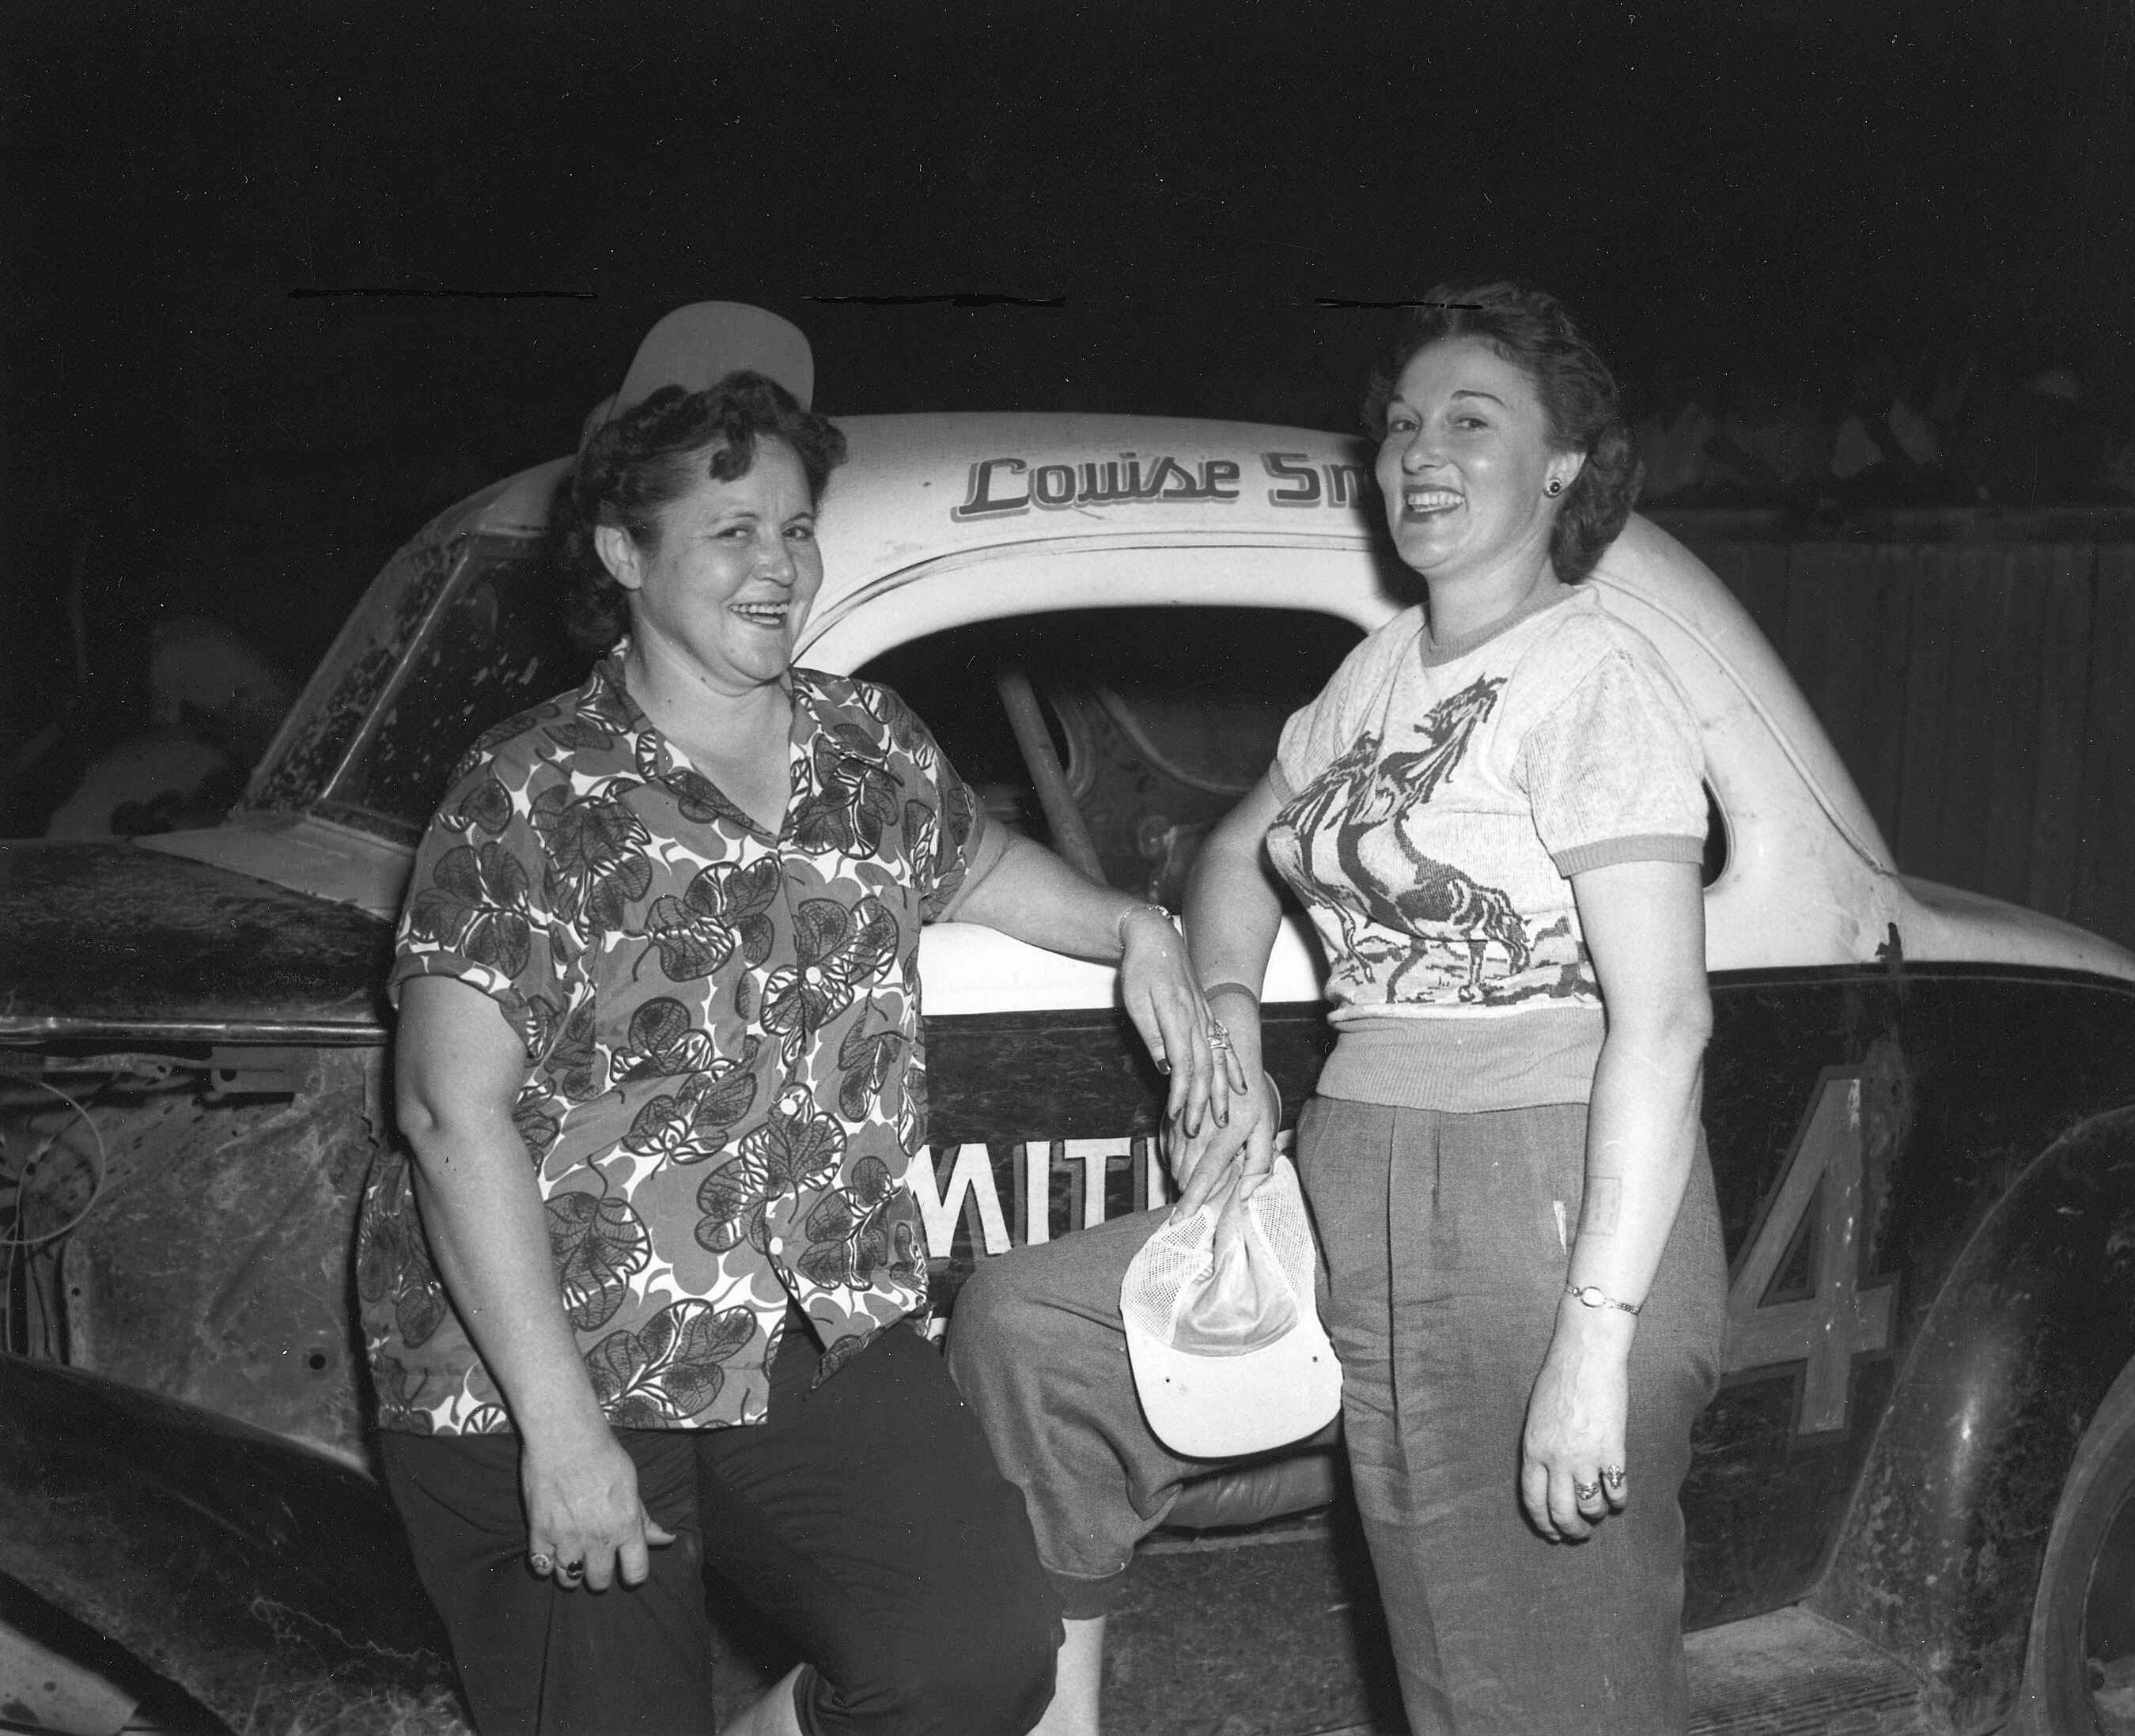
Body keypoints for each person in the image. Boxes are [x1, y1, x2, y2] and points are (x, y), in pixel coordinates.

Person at [354, 359, 1235, 1736]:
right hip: (553, 1354)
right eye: (730, 532)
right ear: (620, 554)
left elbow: (975, 856)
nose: (779, 566)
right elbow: (443, 1118)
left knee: (979, 1657)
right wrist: (565, 1436)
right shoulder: (528, 789)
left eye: (797, 527)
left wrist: (1136, 927)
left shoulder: (864, 742)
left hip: (807, 1326)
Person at [950, 282, 1725, 1735]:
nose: (1418, 450)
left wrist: (1593, 1341)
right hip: (1352, 1174)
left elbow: (1667, 1022)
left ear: (1562, 466)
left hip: (1539, 1197)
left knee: (1515, 1695)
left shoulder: (1594, 677)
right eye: (1403, 422)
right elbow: (1241, 852)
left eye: (1472, 422)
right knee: (1033, 1337)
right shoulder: (1381, 671)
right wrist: (1230, 1012)